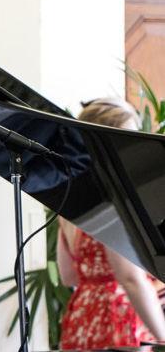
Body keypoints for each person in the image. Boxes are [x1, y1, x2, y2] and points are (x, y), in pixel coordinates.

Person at [58, 97, 165, 349]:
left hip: (82, 317)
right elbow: (130, 278)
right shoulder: (117, 199)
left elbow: (68, 275)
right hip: (119, 319)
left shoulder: (72, 197)